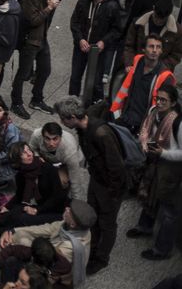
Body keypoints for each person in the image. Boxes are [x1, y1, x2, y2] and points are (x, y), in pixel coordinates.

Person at [54, 97, 126, 274]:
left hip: (110, 186)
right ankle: (91, 248)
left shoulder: (101, 133)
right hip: (97, 179)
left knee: (107, 223)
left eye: (63, 119)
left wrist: (112, 194)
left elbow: (117, 168)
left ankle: (101, 258)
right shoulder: (83, 125)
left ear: (73, 117)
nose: (62, 122)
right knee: (92, 215)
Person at [128, 83, 182, 260]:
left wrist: (163, 153)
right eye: (157, 98)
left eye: (164, 100)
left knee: (168, 212)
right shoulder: (153, 112)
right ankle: (145, 227)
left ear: (173, 103)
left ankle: (162, 250)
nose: (159, 103)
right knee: (149, 196)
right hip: (155, 164)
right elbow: (146, 132)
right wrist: (147, 144)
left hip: (171, 171)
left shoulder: (177, 123)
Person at [0, 200, 96, 289]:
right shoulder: (75, 227)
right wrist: (13, 231)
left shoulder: (69, 249)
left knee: (12, 261)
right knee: (20, 235)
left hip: (52, 277)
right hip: (49, 255)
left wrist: (14, 248)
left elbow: (44, 262)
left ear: (73, 224)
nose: (66, 208)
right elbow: (45, 229)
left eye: (70, 211)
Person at [11, 0, 60, 116]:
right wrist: (49, 8)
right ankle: (16, 102)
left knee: (45, 70)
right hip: (30, 41)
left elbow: (46, 18)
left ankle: (37, 99)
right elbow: (34, 21)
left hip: (41, 38)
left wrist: (50, 8)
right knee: (23, 73)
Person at [0, 142, 68, 237]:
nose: (29, 154)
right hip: (39, 206)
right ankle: (6, 237)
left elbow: (58, 197)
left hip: (55, 210)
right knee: (4, 218)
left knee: (21, 219)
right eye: (24, 153)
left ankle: (9, 238)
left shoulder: (47, 168)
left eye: (29, 150)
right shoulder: (21, 175)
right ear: (17, 159)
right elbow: (20, 195)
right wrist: (6, 207)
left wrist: (38, 210)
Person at [68, 0, 123, 102]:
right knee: (75, 77)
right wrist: (80, 39)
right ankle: (71, 103)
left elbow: (116, 30)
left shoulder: (112, 6)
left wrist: (104, 41)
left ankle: (94, 105)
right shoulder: (83, 2)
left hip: (98, 50)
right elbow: (74, 22)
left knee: (96, 81)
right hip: (81, 46)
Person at [110, 34, 176, 134]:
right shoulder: (138, 61)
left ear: (161, 51)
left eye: (158, 47)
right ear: (143, 49)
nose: (155, 50)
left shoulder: (166, 77)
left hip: (143, 126)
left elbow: (165, 110)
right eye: (151, 46)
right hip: (125, 117)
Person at [28, 122, 89, 201]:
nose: (51, 143)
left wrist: (76, 202)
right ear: (42, 136)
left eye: (55, 139)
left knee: (62, 181)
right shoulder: (36, 135)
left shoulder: (70, 151)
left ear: (60, 137)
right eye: (47, 139)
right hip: (46, 159)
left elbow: (74, 178)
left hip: (67, 162)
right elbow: (31, 148)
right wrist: (37, 157)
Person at [123, 0, 182, 72]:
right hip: (136, 66)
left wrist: (159, 68)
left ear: (169, 15)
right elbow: (129, 45)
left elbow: (176, 55)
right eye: (156, 17)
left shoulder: (177, 32)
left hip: (160, 71)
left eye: (162, 19)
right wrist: (130, 63)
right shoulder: (138, 24)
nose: (158, 21)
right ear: (153, 9)